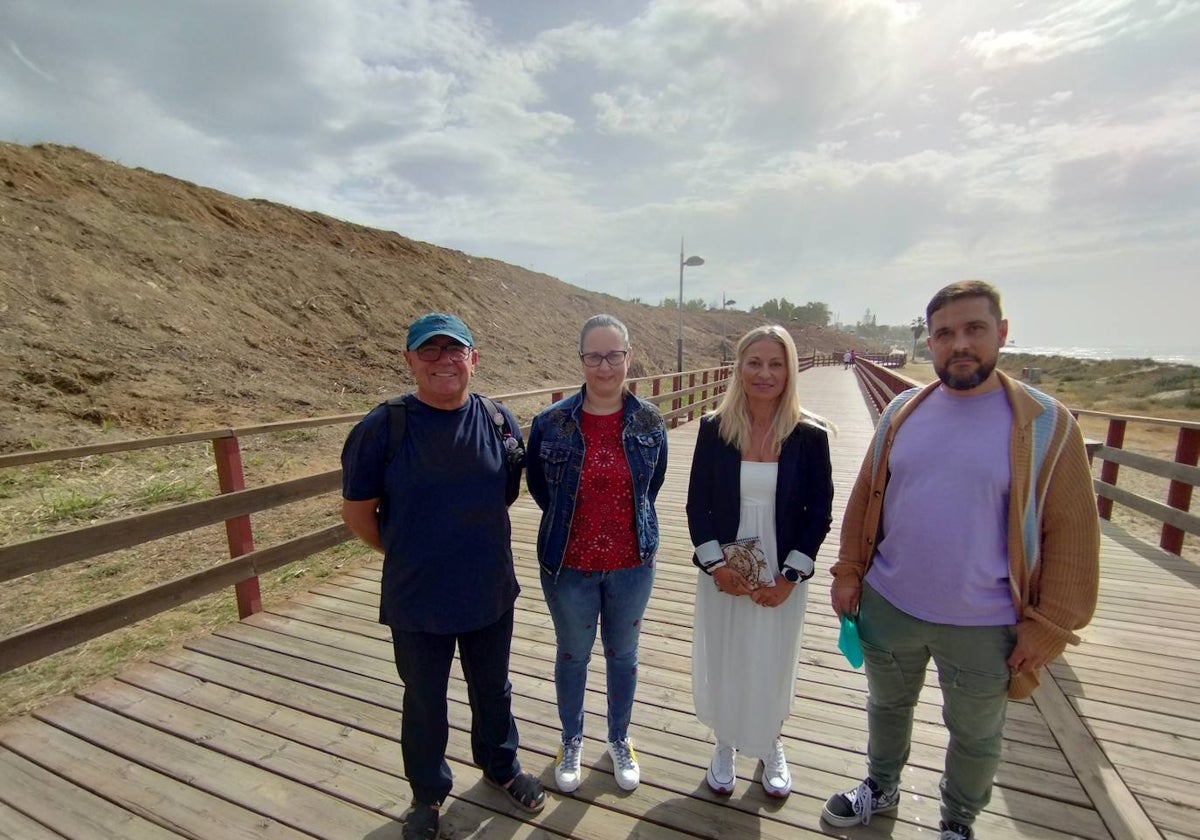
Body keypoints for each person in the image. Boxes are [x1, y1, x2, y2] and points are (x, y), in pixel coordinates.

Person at [821, 281, 1100, 840]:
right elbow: (866, 496)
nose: (960, 344)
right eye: (945, 334)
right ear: (930, 343)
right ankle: (881, 784)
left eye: (974, 329)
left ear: (1001, 332)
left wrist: (1047, 629)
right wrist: (849, 572)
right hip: (892, 603)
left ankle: (957, 820)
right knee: (887, 706)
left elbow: (1072, 536)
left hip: (986, 621)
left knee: (975, 733)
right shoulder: (904, 410)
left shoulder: (1046, 424)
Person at [340, 312, 545, 840]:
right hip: (417, 596)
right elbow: (359, 513)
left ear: (473, 360)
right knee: (425, 699)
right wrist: (409, 550)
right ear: (409, 361)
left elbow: (505, 492)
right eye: (428, 351)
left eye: (454, 350)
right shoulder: (384, 426)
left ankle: (501, 767)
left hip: (489, 587)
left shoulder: (499, 420)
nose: (442, 361)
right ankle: (427, 796)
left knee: (493, 689)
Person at [686, 325, 834, 798]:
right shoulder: (714, 428)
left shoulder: (810, 435)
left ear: (790, 368)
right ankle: (726, 742)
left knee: (772, 653)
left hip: (780, 561)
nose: (765, 373)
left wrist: (790, 577)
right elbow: (697, 504)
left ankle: (770, 741)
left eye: (776, 363)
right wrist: (717, 567)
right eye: (755, 363)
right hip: (730, 563)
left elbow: (819, 512)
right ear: (739, 368)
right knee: (728, 649)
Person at [525, 314, 668, 794]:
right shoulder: (551, 423)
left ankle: (620, 738)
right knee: (573, 655)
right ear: (581, 358)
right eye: (594, 356)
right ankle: (571, 739)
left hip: (633, 563)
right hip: (569, 566)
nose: (605, 366)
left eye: (614, 355)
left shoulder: (650, 420)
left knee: (623, 655)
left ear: (629, 357)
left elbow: (652, 486)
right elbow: (543, 491)